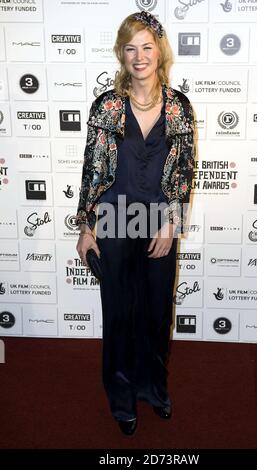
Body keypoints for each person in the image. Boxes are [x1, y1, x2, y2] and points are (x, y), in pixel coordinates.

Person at [75, 11, 195, 436]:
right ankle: (122, 393)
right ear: (121, 54)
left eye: (147, 46)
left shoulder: (179, 107)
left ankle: (153, 387)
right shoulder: (106, 106)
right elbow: (92, 168)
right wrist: (86, 228)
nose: (139, 55)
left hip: (158, 222)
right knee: (121, 314)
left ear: (159, 51)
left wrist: (171, 223)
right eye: (130, 47)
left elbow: (183, 172)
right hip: (113, 219)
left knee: (158, 312)